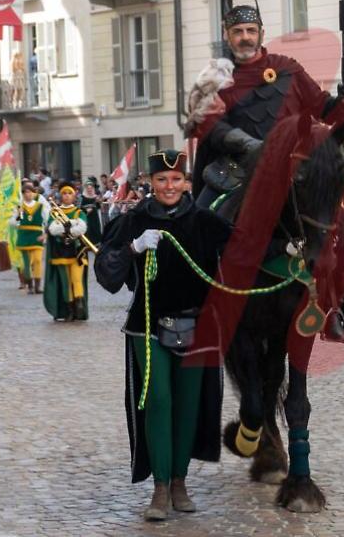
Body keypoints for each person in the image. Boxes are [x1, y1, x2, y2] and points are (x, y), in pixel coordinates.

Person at [93, 149, 231, 522]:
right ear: (151, 182)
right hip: (148, 326)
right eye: (161, 179)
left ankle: (179, 482)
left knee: (187, 406)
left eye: (176, 179)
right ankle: (159, 487)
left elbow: (246, 251)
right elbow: (105, 273)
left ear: (186, 182)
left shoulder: (205, 222)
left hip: (198, 327)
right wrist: (133, 247)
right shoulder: (134, 220)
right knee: (158, 400)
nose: (169, 186)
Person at [186, 1, 344, 208]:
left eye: (251, 31)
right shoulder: (213, 79)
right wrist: (248, 144)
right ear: (226, 36)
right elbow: (212, 126)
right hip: (236, 170)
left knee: (330, 215)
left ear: (262, 34)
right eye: (237, 31)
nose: (245, 37)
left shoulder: (287, 68)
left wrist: (343, 100)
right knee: (201, 218)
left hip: (291, 170)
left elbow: (323, 108)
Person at [43, 182, 89, 321]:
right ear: (60, 195)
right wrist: (70, 226)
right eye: (64, 193)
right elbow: (53, 229)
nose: (67, 196)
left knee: (76, 278)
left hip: (77, 251)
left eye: (70, 193)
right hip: (60, 252)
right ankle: (69, 309)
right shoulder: (55, 212)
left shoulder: (79, 212)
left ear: (74, 196)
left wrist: (67, 228)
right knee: (65, 281)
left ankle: (79, 304)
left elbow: (82, 228)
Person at [9, 184, 47, 295]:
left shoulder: (40, 206)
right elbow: (14, 222)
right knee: (27, 262)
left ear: (34, 193)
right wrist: (18, 216)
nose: (28, 194)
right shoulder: (20, 207)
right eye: (25, 192)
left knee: (37, 260)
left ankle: (37, 286)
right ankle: (30, 285)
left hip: (36, 236)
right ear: (23, 194)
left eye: (30, 192)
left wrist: (46, 234)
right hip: (24, 236)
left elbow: (47, 220)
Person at [81, 179, 103, 246]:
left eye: (91, 188)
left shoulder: (95, 197)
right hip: (87, 216)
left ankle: (97, 243)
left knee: (95, 228)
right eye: (88, 188)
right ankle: (89, 244)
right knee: (89, 229)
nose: (89, 190)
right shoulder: (83, 197)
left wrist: (99, 202)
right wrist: (86, 210)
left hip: (94, 216)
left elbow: (98, 207)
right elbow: (80, 207)